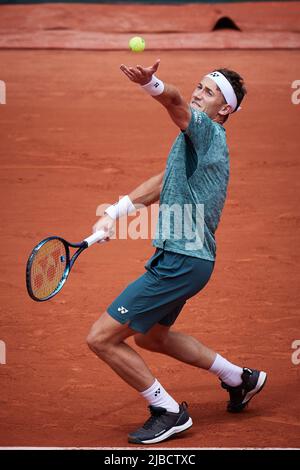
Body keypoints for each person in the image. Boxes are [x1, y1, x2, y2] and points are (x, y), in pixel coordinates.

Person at [87, 59, 267, 445]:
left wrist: (152, 84)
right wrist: (114, 214)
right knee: (151, 337)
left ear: (224, 109)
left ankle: (166, 411)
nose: (199, 92)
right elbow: (162, 181)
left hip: (182, 260)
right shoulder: (197, 143)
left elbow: (173, 101)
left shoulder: (206, 130)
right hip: (186, 259)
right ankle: (239, 378)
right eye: (198, 85)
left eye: (209, 90)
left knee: (101, 338)